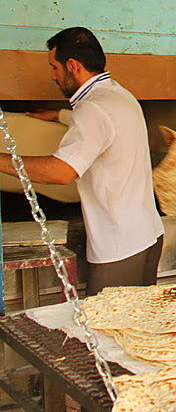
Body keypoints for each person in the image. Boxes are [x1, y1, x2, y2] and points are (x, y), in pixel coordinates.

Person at [0, 27, 164, 296]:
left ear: (72, 65)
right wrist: (58, 116)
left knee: (104, 330)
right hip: (148, 233)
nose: (52, 75)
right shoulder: (119, 94)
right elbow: (106, 127)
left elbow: (62, 172)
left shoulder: (92, 108)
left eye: (54, 67)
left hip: (118, 246)